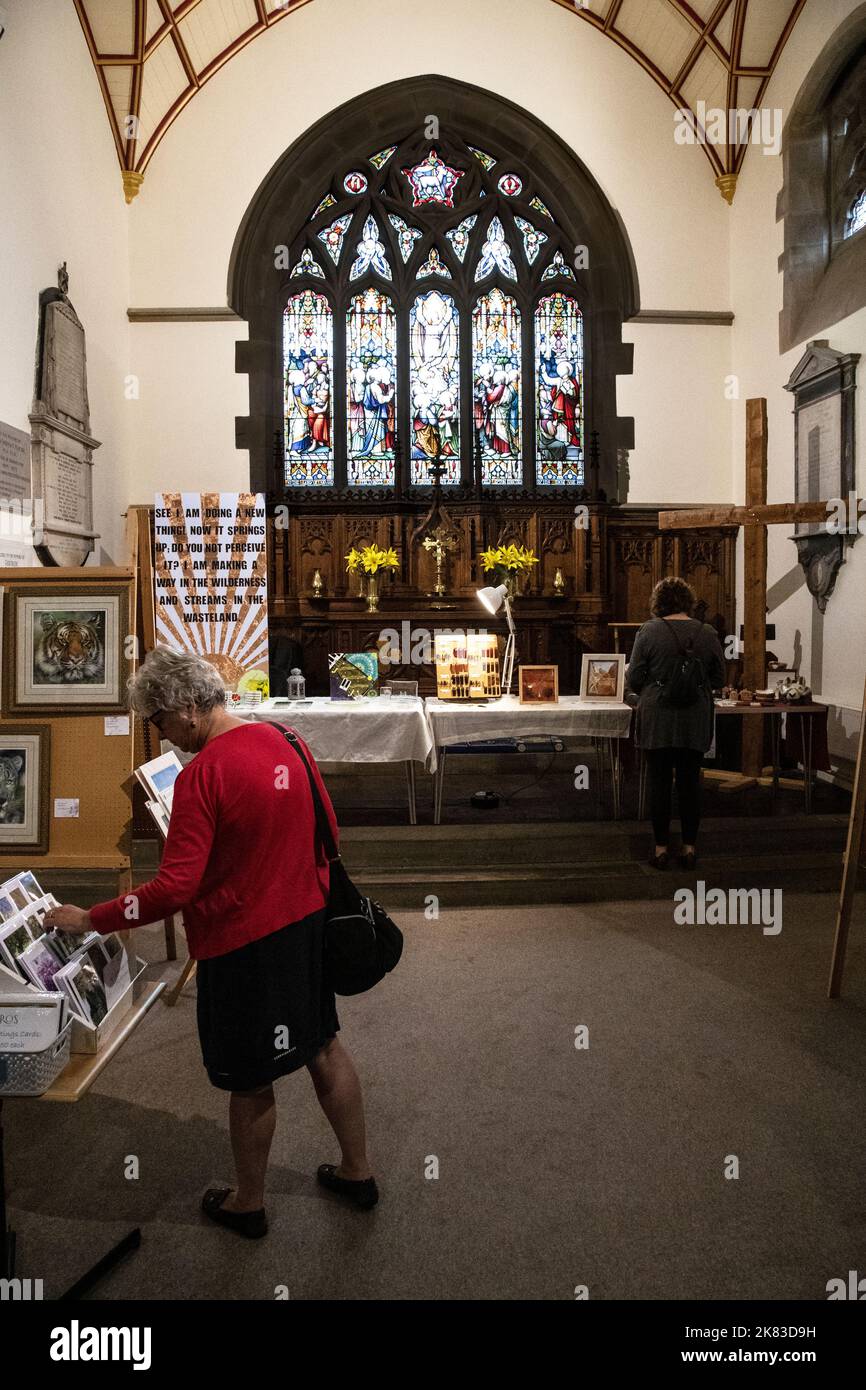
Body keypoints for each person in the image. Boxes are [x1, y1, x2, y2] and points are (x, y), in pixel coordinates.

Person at [43, 647, 377, 1238]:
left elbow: (174, 889)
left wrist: (91, 917)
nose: (163, 736)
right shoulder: (288, 741)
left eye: (160, 722)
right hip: (304, 928)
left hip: (242, 945)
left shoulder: (204, 774)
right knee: (323, 1045)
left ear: (188, 707)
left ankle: (248, 1203)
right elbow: (329, 832)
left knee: (250, 1078)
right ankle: (358, 1171)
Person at [626, 577, 725, 870]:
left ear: (658, 601)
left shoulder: (649, 630)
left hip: (658, 716)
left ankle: (660, 849)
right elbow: (719, 679)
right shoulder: (707, 632)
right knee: (689, 783)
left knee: (658, 783)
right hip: (694, 716)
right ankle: (690, 848)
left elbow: (634, 678)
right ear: (688, 600)